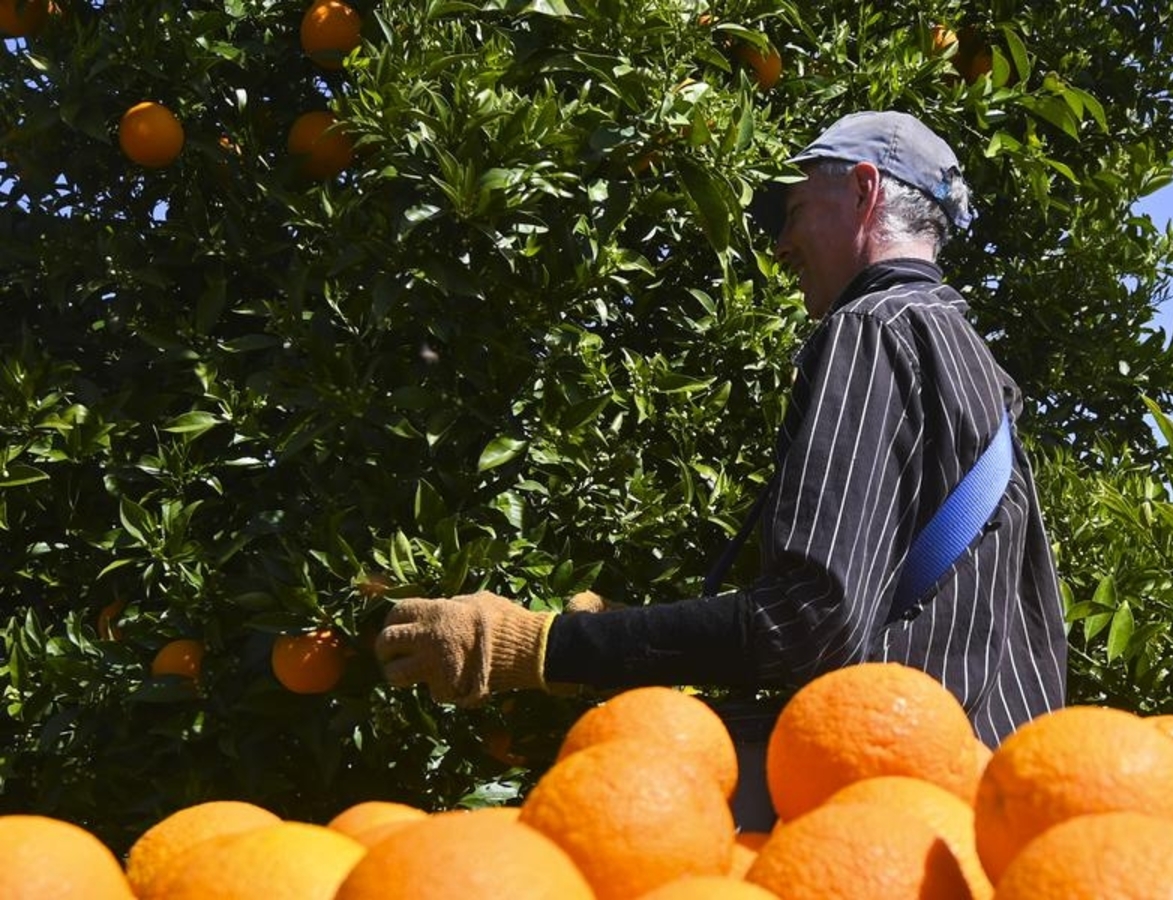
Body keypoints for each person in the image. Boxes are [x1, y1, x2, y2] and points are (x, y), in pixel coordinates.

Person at [374, 110, 1068, 825]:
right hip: (991, 799)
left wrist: (545, 646)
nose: (782, 244)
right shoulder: (979, 371)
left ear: (864, 192)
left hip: (874, 798)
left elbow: (807, 618)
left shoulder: (869, 328)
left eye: (795, 211)